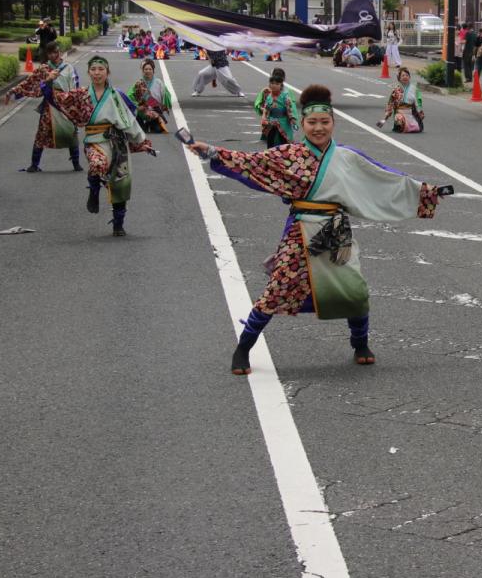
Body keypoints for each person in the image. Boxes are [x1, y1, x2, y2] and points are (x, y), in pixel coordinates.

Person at [184, 84, 448, 373]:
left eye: (324, 121)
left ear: (333, 122)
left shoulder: (347, 157)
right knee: (277, 290)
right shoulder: (287, 155)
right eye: (312, 122)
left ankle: (360, 344)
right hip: (299, 233)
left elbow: (385, 178)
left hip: (336, 233)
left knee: (354, 291)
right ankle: (243, 348)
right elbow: (251, 162)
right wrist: (212, 151)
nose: (319, 128)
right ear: (303, 122)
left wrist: (426, 192)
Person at [41, 55, 155, 236]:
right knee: (97, 164)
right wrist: (48, 82)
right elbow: (57, 99)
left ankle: (118, 225)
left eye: (101, 69)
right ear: (88, 73)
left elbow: (130, 118)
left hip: (117, 143)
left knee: (120, 183)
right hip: (94, 141)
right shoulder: (81, 94)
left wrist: (142, 142)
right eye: (93, 69)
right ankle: (94, 190)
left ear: (107, 72)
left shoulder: (117, 95)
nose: (97, 73)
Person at [4, 40, 82, 172]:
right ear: (47, 54)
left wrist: (75, 104)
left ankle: (76, 163)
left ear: (60, 52)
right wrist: (12, 91)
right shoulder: (44, 69)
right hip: (49, 106)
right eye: (50, 53)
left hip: (66, 105)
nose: (54, 55)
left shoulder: (69, 68)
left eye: (56, 52)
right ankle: (34, 164)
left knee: (70, 133)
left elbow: (75, 87)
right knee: (42, 133)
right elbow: (29, 82)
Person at [255, 69, 299, 147]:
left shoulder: (286, 94)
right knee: (271, 140)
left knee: (283, 141)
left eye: (277, 83)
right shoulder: (267, 94)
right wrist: (264, 116)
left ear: (281, 83)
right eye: (272, 83)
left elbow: (290, 108)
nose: (274, 85)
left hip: (283, 121)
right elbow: (265, 107)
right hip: (271, 121)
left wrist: (292, 118)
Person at [130, 59, 173, 134]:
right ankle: (144, 123)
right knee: (141, 131)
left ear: (153, 71)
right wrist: (137, 106)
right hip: (142, 111)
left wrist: (162, 107)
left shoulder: (159, 82)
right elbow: (130, 96)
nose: (148, 71)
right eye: (146, 69)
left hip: (155, 111)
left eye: (150, 69)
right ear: (143, 71)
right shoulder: (138, 83)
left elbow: (166, 97)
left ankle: (151, 123)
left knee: (158, 130)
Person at [377, 67, 425, 133]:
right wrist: (384, 118)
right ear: (399, 78)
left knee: (416, 128)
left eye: (407, 75)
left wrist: (420, 111)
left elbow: (418, 102)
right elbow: (390, 104)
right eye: (403, 75)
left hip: (411, 113)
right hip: (400, 113)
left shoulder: (415, 89)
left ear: (409, 77)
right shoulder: (396, 90)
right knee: (399, 120)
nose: (405, 77)